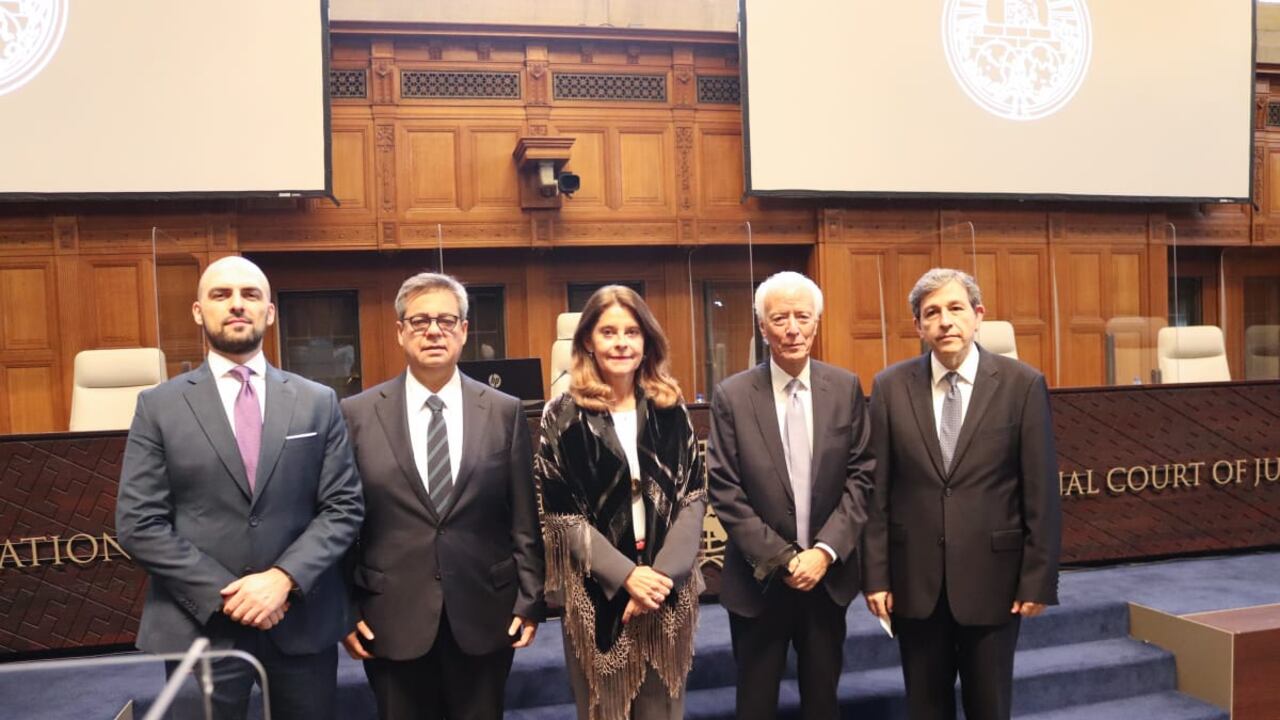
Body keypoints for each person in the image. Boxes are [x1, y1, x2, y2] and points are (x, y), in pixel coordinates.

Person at [116, 256, 364, 720]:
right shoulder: (158, 407)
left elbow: (343, 507)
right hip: (201, 626)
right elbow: (139, 523)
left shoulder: (317, 401)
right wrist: (227, 593)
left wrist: (282, 581)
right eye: (221, 294)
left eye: (250, 295)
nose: (236, 305)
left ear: (270, 312)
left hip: (299, 620)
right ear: (197, 311)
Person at [340, 272, 544, 720]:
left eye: (446, 320)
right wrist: (345, 607)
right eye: (420, 321)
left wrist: (530, 599)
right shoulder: (355, 414)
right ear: (400, 331)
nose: (434, 331)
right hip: (388, 617)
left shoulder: (504, 411)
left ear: (465, 331)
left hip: (485, 613)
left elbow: (524, 516)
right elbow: (343, 521)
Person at [862, 268, 1061, 720]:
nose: (945, 321)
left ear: (978, 316)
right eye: (932, 313)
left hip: (995, 580)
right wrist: (875, 576)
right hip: (915, 583)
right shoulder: (890, 387)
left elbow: (1041, 492)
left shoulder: (1021, 384)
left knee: (989, 708)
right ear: (918, 327)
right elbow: (878, 491)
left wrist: (1038, 578)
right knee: (925, 708)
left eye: (955, 309)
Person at [706, 270, 874, 720]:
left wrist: (824, 552)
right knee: (755, 705)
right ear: (763, 327)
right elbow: (724, 487)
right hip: (758, 583)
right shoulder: (733, 395)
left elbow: (861, 477)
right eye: (780, 318)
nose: (793, 328)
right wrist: (782, 559)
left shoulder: (845, 388)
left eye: (803, 316)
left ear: (817, 322)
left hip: (826, 580)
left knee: (823, 703)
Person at [536, 285, 705, 720]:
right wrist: (628, 576)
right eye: (608, 331)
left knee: (663, 712)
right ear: (588, 341)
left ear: (647, 340)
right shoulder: (562, 415)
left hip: (667, 591)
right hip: (598, 593)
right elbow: (561, 515)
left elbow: (693, 497)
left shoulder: (671, 409)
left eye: (632, 331)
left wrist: (658, 579)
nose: (621, 342)